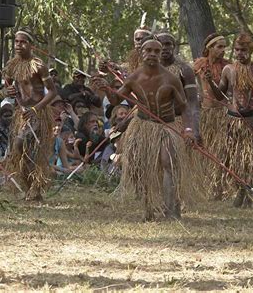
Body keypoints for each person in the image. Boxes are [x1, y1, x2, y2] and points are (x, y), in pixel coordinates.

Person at [95, 34, 197, 220]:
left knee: (169, 163)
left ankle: (171, 211)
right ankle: (149, 209)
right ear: (141, 53)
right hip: (142, 126)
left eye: (156, 51)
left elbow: (185, 108)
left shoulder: (171, 79)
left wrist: (189, 130)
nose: (152, 54)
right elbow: (117, 99)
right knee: (138, 166)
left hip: (167, 126)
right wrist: (106, 88)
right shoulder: (135, 76)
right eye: (148, 50)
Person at [209, 33, 253, 207]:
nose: (239, 53)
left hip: (250, 122)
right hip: (231, 121)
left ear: (250, 50)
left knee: (248, 160)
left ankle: (245, 193)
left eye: (243, 50)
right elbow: (219, 95)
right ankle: (237, 190)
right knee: (232, 159)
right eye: (236, 50)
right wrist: (209, 82)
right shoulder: (228, 70)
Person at [2, 27, 57, 201]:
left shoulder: (39, 65)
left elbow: (53, 92)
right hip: (21, 113)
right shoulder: (12, 65)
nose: (19, 45)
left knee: (30, 148)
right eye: (16, 41)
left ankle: (37, 186)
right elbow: (8, 86)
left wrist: (35, 109)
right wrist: (9, 91)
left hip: (38, 113)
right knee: (20, 150)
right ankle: (30, 188)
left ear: (31, 45)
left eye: (23, 42)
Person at [193, 33, 231, 200]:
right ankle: (204, 186)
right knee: (205, 149)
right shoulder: (199, 64)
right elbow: (190, 83)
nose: (223, 50)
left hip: (223, 113)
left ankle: (219, 188)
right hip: (206, 113)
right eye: (219, 46)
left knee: (221, 150)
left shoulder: (228, 66)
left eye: (224, 47)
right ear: (209, 48)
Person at [156, 32, 200, 141]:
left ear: (173, 46)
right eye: (161, 44)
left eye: (168, 44)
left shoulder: (184, 70)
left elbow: (192, 102)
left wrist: (193, 129)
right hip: (154, 124)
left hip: (178, 122)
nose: (164, 48)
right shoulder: (149, 70)